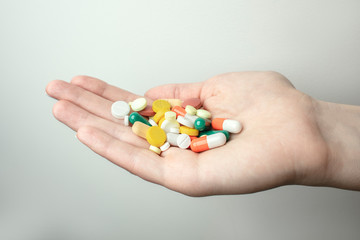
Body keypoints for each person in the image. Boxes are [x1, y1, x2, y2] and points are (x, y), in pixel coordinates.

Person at [45, 71, 360, 196]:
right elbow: (163, 125)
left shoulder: (191, 122)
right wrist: (322, 128)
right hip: (175, 130)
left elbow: (186, 125)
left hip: (185, 131)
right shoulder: (162, 122)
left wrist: (319, 126)